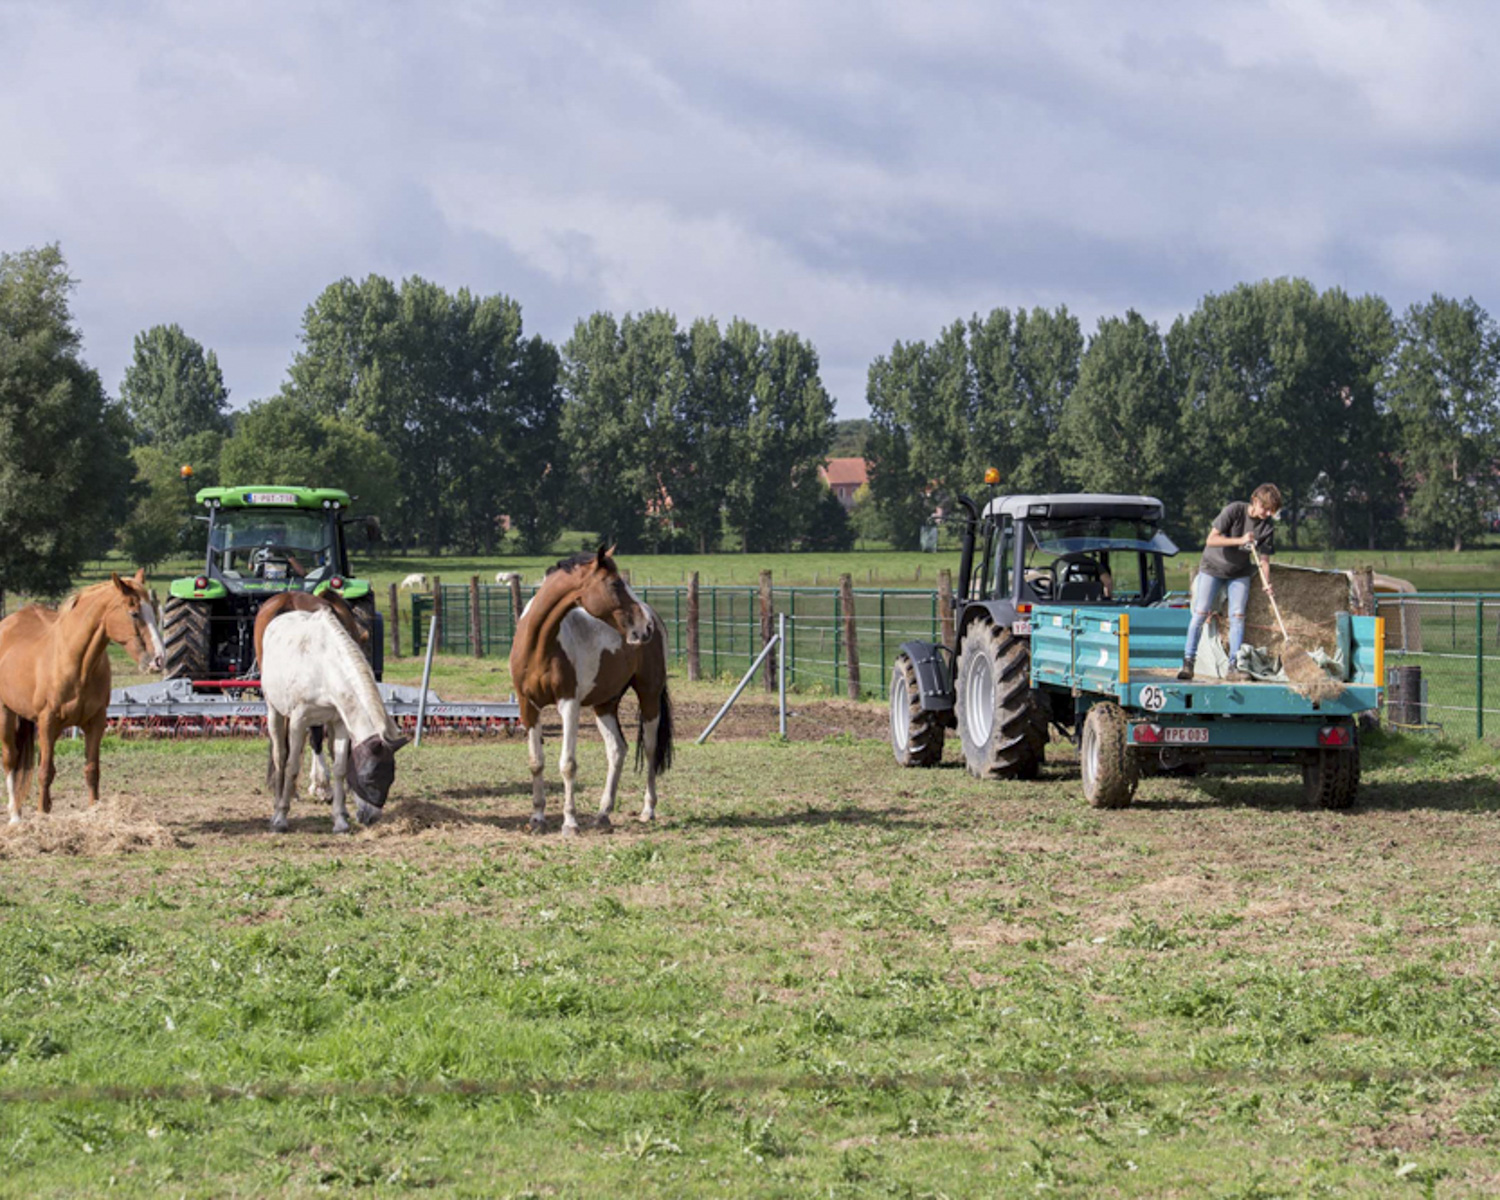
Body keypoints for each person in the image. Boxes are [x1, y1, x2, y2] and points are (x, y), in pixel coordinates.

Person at [1179, 484, 1281, 682]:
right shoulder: (1235, 510)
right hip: (1213, 567)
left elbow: (1264, 560)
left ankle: (1233, 666)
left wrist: (1266, 583)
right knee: (1200, 613)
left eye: (1272, 511)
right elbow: (1211, 540)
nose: (1268, 514)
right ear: (1256, 501)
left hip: (1239, 572)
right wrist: (1240, 540)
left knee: (1238, 616)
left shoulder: (1267, 527)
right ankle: (1188, 662)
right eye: (1266, 508)